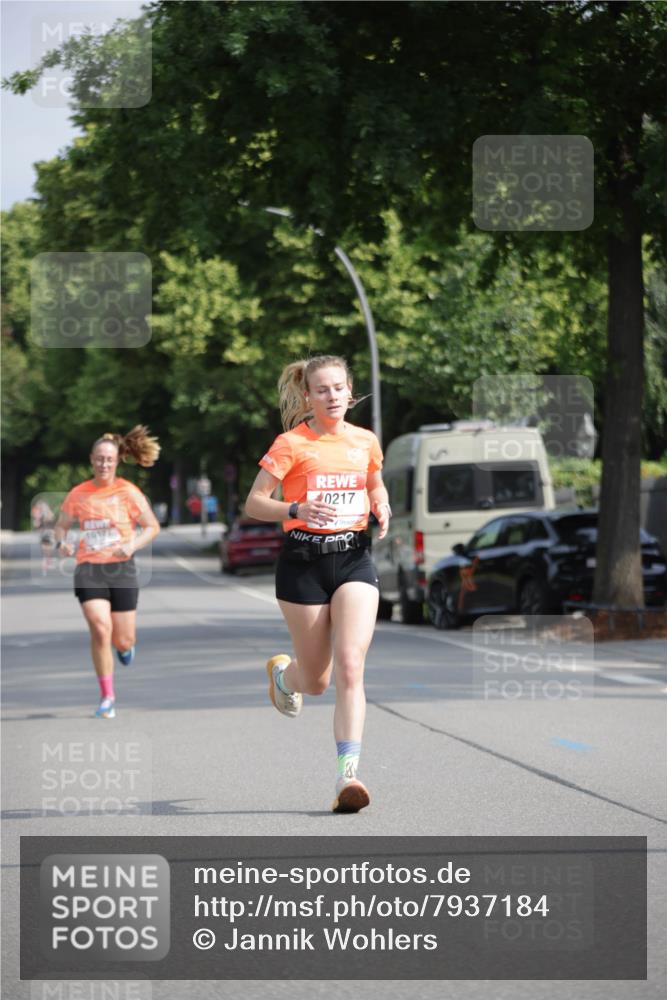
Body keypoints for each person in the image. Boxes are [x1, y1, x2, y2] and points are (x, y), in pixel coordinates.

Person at [245, 355, 391, 813]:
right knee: (316, 680)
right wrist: (295, 510)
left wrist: (381, 505)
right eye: (321, 389)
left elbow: (375, 485)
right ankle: (283, 676)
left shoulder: (365, 441)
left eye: (338, 388)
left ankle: (347, 776)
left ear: (351, 392)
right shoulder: (290, 443)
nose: (331, 396)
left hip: (354, 558)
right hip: (303, 564)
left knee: (351, 665)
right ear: (307, 396)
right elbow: (254, 503)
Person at [53, 426, 161, 719]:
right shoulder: (78, 494)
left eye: (109, 460)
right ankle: (107, 696)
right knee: (100, 628)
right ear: (92, 459)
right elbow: (61, 527)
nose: (104, 464)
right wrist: (62, 543)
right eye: (99, 459)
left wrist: (132, 545)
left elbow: (152, 527)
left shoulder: (128, 492)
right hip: (89, 568)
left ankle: (125, 649)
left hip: (122, 568)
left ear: (117, 461)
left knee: (123, 640)